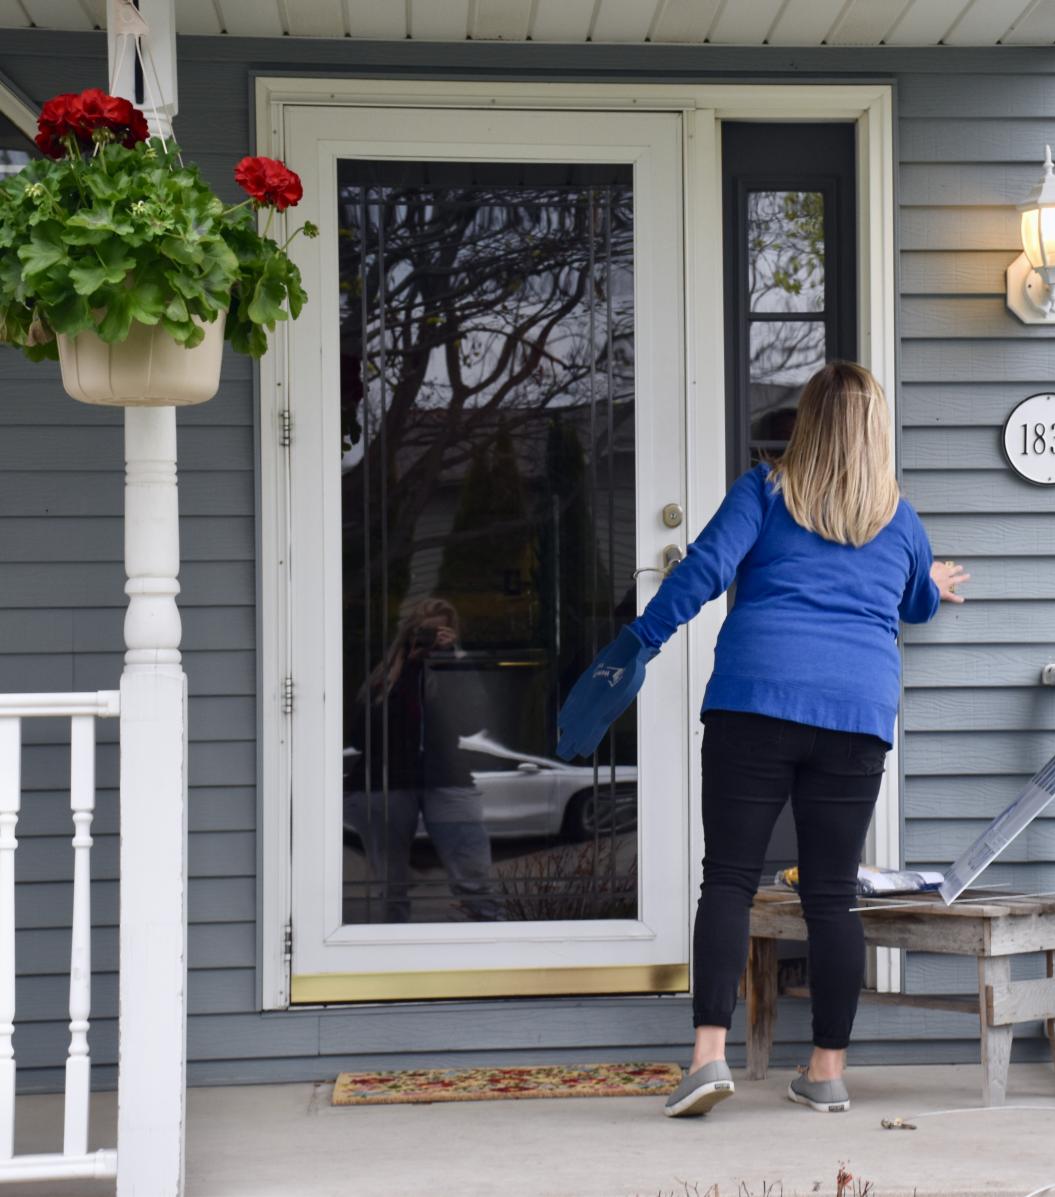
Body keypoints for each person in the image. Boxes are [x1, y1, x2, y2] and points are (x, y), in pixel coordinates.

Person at [555, 361, 967, 1118]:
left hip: (755, 701)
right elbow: (914, 603)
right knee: (831, 895)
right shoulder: (899, 519)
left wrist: (638, 643)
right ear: (876, 433)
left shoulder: (763, 491)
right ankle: (827, 1071)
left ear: (805, 422)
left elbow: (704, 571)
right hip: (855, 714)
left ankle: (709, 1057)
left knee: (730, 879)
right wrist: (932, 585)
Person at [344, 598, 504, 924]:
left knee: (472, 870)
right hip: (384, 781)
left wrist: (449, 662)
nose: (430, 639)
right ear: (408, 632)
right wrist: (407, 671)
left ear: (451, 633)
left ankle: (488, 932)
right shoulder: (383, 673)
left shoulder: (454, 665)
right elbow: (359, 735)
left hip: (445, 778)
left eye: (438, 632)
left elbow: (470, 722)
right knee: (390, 883)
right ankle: (392, 945)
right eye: (423, 631)